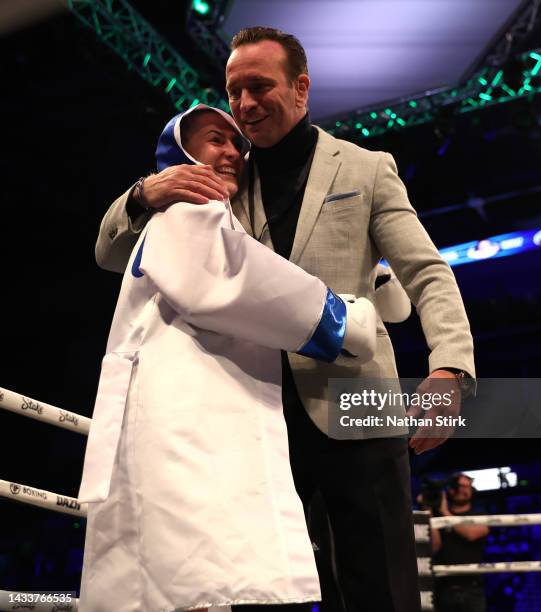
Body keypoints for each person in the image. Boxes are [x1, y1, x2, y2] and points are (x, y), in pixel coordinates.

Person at [94, 27, 476, 612]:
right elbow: (112, 253)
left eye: (258, 86)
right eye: (233, 90)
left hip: (359, 401)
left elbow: (426, 271)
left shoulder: (368, 167)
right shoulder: (220, 175)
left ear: (301, 88)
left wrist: (450, 369)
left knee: (382, 588)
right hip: (254, 414)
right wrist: (147, 192)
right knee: (266, 593)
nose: (244, 105)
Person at [77, 104, 379, 612]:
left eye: (237, 145)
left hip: (187, 409)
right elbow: (231, 281)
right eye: (215, 139)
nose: (232, 153)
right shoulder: (186, 206)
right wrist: (342, 317)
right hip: (185, 418)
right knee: (193, 579)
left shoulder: (214, 216)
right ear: (178, 153)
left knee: (188, 581)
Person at [431, 474, 489, 612]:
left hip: (472, 589)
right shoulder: (439, 517)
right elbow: (434, 546)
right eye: (460, 486)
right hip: (444, 589)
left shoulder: (479, 514)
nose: (464, 490)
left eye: (467, 486)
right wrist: (428, 512)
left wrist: (445, 513)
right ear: (450, 490)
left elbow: (471, 534)